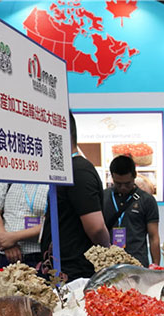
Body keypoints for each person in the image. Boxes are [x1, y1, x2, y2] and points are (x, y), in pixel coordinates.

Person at [40, 111, 110, 280]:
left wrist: (107, 255)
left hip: (76, 273)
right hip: (61, 269)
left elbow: (97, 227)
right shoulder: (67, 171)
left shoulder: (79, 171)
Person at [102, 155, 160, 267]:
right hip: (108, 263)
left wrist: (156, 266)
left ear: (134, 176)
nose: (123, 187)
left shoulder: (147, 200)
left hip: (137, 262)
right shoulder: (103, 197)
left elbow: (153, 237)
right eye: (118, 183)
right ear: (112, 177)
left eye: (127, 184)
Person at [0, 182, 48, 268]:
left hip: (38, 257)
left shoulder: (50, 181)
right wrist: (5, 241)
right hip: (7, 256)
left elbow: (54, 220)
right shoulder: (9, 179)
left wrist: (13, 238)